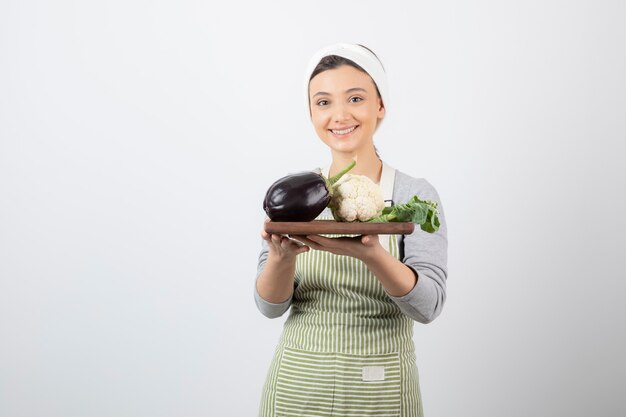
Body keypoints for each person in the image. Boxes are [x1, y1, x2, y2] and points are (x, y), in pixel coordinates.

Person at [254, 42, 448, 417]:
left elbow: (428, 307)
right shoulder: (296, 196)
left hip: (383, 389)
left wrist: (373, 255)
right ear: (311, 113)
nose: (339, 115)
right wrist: (280, 258)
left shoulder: (414, 195)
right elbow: (269, 307)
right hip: (298, 386)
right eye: (323, 102)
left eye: (355, 98)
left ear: (380, 106)